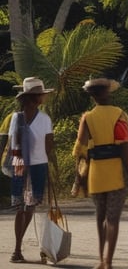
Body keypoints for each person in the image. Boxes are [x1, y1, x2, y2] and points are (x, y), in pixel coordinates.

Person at [72, 78, 128, 269]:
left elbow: (80, 151)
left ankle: (100, 259)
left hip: (96, 173)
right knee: (113, 219)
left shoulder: (87, 118)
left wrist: (78, 178)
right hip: (115, 171)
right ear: (107, 93)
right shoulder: (119, 115)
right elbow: (125, 147)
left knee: (100, 217)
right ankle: (108, 261)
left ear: (92, 97)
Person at [9, 77, 56, 264]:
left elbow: (14, 144)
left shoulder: (15, 118)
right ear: (35, 97)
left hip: (19, 164)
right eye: (41, 95)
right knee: (30, 207)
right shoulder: (45, 119)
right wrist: (53, 168)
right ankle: (19, 249)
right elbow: (49, 146)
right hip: (38, 166)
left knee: (21, 208)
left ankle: (16, 249)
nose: (43, 98)